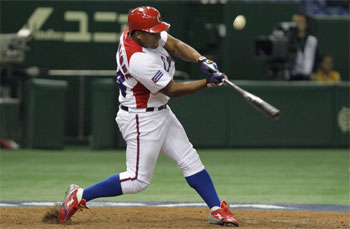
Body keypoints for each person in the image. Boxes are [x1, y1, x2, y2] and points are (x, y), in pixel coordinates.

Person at [58, 6, 239, 227]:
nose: (157, 35)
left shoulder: (143, 34)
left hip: (160, 112)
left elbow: (174, 44)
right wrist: (206, 83)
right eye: (152, 32)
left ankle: (216, 209)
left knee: (189, 159)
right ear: (138, 34)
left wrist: (201, 60)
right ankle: (80, 195)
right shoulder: (138, 59)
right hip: (140, 118)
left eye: (157, 30)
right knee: (137, 181)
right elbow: (171, 89)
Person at [290, 12, 318, 80]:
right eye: (296, 22)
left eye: (301, 22)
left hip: (307, 75)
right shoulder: (289, 39)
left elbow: (316, 57)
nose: (299, 24)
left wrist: (314, 72)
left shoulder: (312, 40)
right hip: (291, 75)